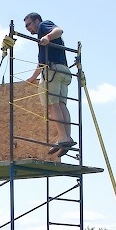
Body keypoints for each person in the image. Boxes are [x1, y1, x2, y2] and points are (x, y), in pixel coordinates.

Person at [23, 12, 74, 157]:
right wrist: (33, 77)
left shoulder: (43, 26)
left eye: (28, 24)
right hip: (63, 71)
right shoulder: (42, 40)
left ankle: (63, 137)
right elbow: (41, 62)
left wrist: (47, 37)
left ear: (37, 21)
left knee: (52, 104)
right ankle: (66, 137)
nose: (27, 28)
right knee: (61, 105)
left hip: (53, 71)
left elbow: (59, 30)